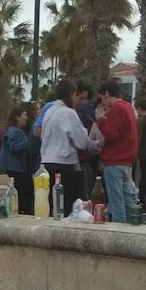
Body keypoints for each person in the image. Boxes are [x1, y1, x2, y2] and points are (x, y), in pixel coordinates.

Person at [40, 78, 94, 217]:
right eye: (77, 96)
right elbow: (82, 142)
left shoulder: (49, 112)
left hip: (46, 163)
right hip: (64, 165)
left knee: (51, 206)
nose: (78, 101)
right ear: (70, 94)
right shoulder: (68, 113)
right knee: (65, 206)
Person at [96, 80, 139, 223]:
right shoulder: (128, 107)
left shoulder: (117, 108)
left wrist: (101, 120)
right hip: (127, 160)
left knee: (117, 201)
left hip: (114, 161)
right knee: (129, 200)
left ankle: (118, 231)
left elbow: (111, 133)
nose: (102, 102)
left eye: (102, 98)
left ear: (107, 94)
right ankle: (131, 229)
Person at [0, 105, 34, 215]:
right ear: (17, 117)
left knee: (24, 192)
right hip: (16, 169)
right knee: (24, 192)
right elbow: (14, 147)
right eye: (24, 115)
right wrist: (29, 143)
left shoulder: (18, 131)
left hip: (20, 168)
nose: (26, 118)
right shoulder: (13, 131)